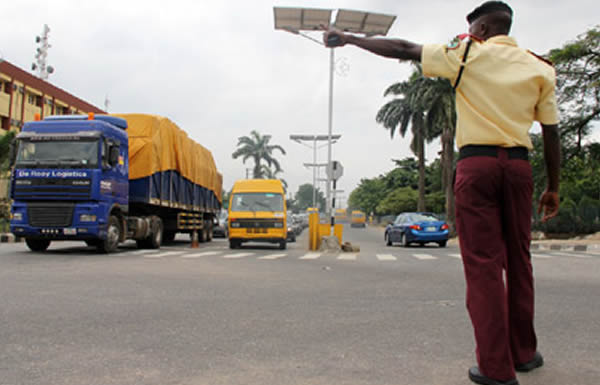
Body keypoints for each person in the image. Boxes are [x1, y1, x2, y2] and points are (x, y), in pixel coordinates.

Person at [323, 2, 560, 385]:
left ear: (481, 27)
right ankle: (524, 353)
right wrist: (553, 187)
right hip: (519, 168)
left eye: (471, 28)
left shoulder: (466, 55)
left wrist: (349, 39)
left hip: (477, 165)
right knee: (520, 261)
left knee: (483, 265)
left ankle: (496, 370)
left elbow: (404, 49)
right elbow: (551, 131)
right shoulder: (539, 67)